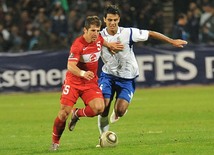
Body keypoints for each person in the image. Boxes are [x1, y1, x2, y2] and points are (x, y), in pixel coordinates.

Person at [97, 5, 188, 146]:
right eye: (109, 20)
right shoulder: (99, 35)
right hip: (108, 75)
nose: (112, 23)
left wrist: (171, 41)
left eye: (115, 20)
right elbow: (84, 44)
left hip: (127, 77)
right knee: (104, 107)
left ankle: (119, 112)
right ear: (104, 20)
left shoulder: (128, 33)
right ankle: (103, 137)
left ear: (119, 19)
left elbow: (150, 33)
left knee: (120, 110)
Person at [50, 15, 123, 151]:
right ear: (85, 30)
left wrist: (110, 45)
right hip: (74, 82)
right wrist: (83, 73)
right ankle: (55, 142)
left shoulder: (99, 39)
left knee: (99, 108)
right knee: (63, 113)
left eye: (97, 30)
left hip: (89, 83)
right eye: (93, 31)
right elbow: (70, 66)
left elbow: (102, 42)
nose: (96, 34)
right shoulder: (78, 45)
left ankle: (77, 113)